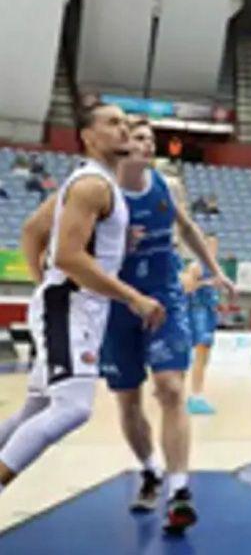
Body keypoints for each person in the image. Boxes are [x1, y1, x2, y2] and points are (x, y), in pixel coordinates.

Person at [25, 119, 235, 531]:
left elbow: (188, 229)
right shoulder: (92, 188)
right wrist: (47, 287)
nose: (144, 144)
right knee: (128, 399)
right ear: (121, 145)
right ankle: (150, 470)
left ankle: (179, 491)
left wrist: (216, 271)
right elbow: (34, 232)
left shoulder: (166, 187)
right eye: (137, 137)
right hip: (114, 303)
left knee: (172, 388)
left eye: (150, 139)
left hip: (163, 297)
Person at [1, 104, 165, 494]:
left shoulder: (95, 183)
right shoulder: (91, 185)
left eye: (127, 123)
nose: (124, 129)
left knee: (36, 410)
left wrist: (54, 283)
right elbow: (68, 256)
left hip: (75, 306)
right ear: (89, 138)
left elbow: (33, 229)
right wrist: (133, 297)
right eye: (113, 123)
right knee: (73, 409)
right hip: (71, 306)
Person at [181, 234, 223, 415]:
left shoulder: (215, 267)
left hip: (210, 311)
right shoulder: (196, 266)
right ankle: (195, 396)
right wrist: (207, 282)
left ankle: (196, 393)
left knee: (205, 356)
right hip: (198, 312)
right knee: (199, 353)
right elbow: (187, 287)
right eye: (210, 245)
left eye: (215, 246)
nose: (213, 249)